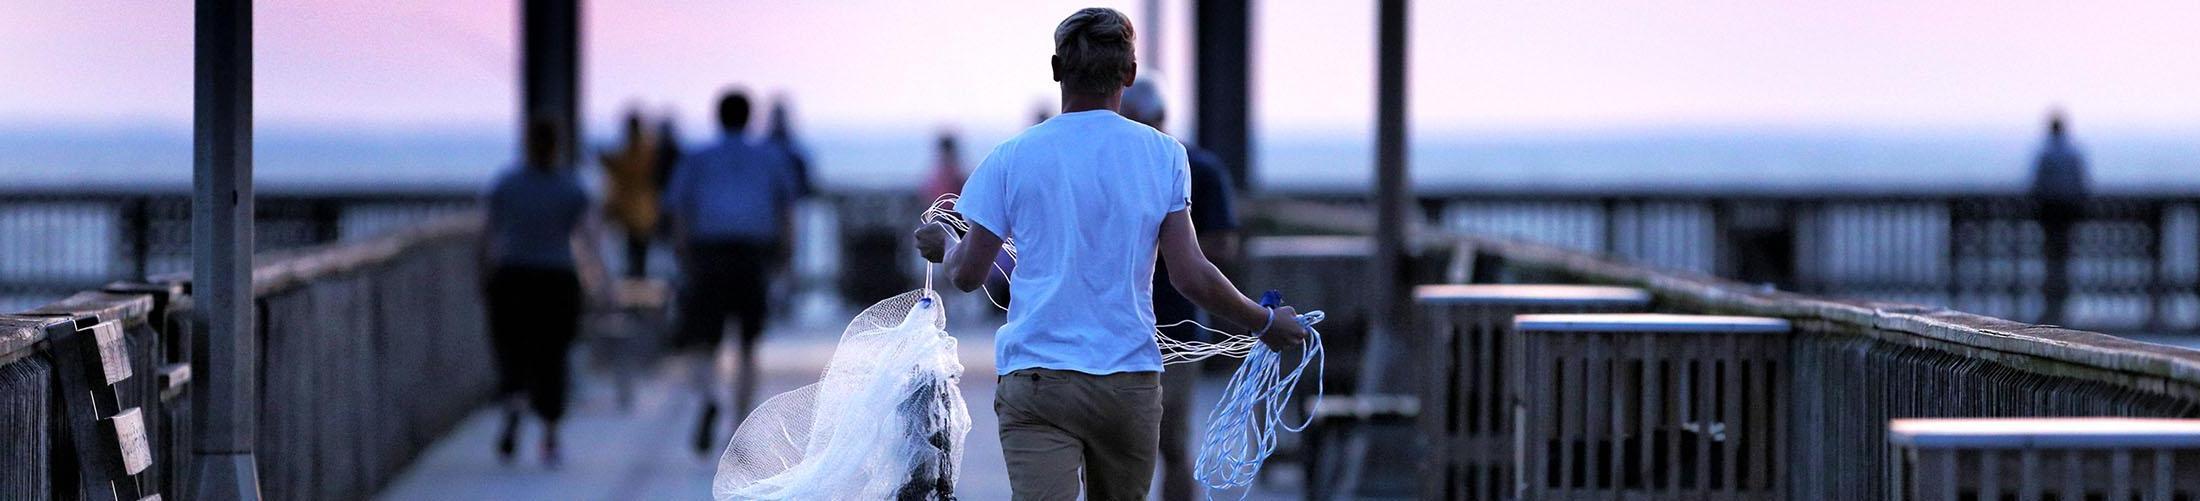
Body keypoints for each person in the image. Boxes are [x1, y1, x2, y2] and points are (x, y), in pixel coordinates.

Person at [912, 8, 1305, 499]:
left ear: (1057, 70)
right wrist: (1263, 322)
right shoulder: (1163, 155)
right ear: (1130, 73)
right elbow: (1191, 275)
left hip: (1038, 379)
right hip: (1128, 381)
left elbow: (969, 274)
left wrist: (946, 244)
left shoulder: (1011, 157)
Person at [1121, 74, 1240, 501]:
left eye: (1136, 119)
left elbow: (1224, 243)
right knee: (1119, 447)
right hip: (1119, 324)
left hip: (1177, 324)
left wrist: (1170, 243)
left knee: (1171, 441)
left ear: (1159, 118)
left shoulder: (1198, 168)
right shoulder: (1116, 167)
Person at [663, 89, 800, 455]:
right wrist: (787, 257)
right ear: (749, 117)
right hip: (753, 256)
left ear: (717, 116)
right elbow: (786, 210)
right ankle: (738, 428)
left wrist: (683, 256)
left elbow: (679, 211)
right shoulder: (770, 157)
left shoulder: (696, 158)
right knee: (748, 343)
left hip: (708, 255)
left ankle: (709, 397)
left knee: (699, 341)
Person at [479, 117, 602, 466]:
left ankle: (514, 405)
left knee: (513, 350)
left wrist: (484, 275)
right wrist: (597, 283)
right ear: (557, 145)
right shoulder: (571, 187)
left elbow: (487, 235)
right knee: (553, 356)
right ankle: (549, 435)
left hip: (512, 276)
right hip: (557, 280)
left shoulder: (506, 184)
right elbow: (590, 239)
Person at [2031, 109, 2089, 325]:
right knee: (2063, 254)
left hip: (2049, 211)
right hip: (2068, 211)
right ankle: (2062, 298)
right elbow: (2081, 183)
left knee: (2051, 255)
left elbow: (2037, 184)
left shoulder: (2045, 153)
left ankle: (2052, 299)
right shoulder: (2074, 153)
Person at [599, 108, 661, 278]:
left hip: (631, 208)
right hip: (643, 209)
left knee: (634, 250)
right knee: (638, 251)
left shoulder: (637, 151)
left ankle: (635, 278)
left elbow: (619, 167)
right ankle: (637, 278)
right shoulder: (649, 150)